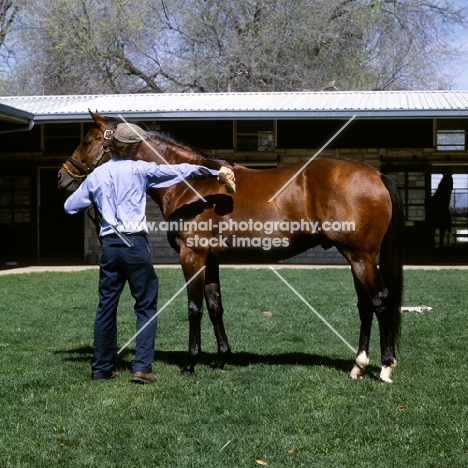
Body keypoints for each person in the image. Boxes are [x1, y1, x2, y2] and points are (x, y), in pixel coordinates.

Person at [64, 122, 235, 383]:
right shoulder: (141, 170)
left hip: (109, 247)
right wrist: (213, 169)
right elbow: (181, 171)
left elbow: (69, 207)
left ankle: (101, 369)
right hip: (135, 246)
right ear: (134, 148)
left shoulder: (95, 177)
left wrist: (97, 198)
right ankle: (141, 368)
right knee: (145, 305)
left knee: (106, 307)